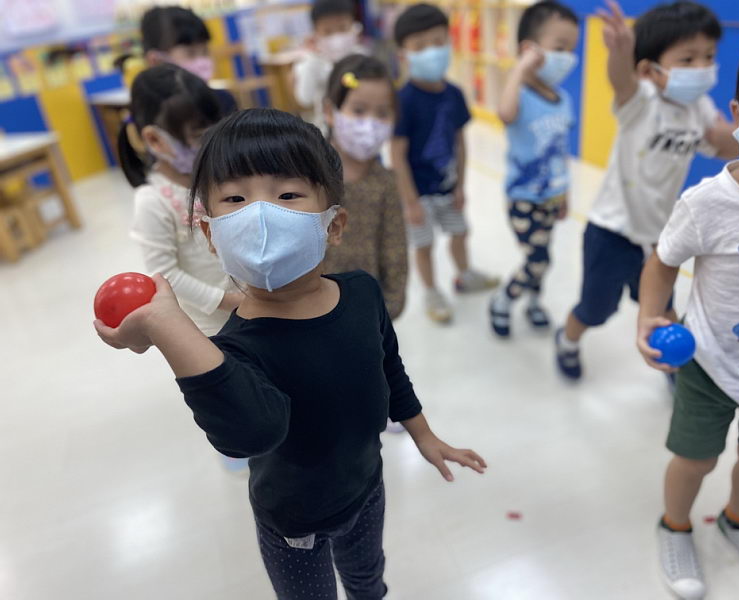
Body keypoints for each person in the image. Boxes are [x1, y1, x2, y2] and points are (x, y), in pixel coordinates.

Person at [96, 108, 487, 599]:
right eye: (235, 199)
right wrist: (166, 326)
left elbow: (389, 367)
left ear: (334, 225)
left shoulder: (362, 293)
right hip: (292, 525)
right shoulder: (234, 349)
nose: (261, 215)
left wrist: (423, 434)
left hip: (367, 487)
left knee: (368, 581)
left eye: (287, 195)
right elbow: (248, 433)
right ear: (211, 235)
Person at [637, 11, 739, 599]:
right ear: (737, 115)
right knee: (694, 459)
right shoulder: (709, 203)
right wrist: (649, 315)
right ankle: (675, 525)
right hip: (708, 362)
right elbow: (662, 260)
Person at [554, 1, 739, 379]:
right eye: (687, 59)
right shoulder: (641, 100)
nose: (702, 67)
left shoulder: (699, 107)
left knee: (662, 309)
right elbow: (621, 80)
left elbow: (723, 144)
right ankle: (568, 339)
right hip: (611, 231)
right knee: (596, 310)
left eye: (708, 56)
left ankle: (670, 365)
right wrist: (620, 52)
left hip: (659, 235)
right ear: (649, 70)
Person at [390, 3, 498, 324]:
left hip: (448, 187)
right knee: (424, 245)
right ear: (404, 55)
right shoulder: (403, 101)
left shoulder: (454, 93)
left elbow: (460, 142)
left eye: (438, 42)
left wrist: (462, 185)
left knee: (460, 232)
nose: (431, 52)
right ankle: (432, 291)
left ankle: (464, 275)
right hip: (418, 192)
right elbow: (396, 155)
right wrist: (410, 202)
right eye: (420, 46)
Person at [120, 64, 242, 337]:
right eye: (199, 136)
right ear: (155, 139)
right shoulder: (153, 201)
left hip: (253, 308)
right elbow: (165, 274)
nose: (211, 144)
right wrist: (228, 301)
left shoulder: (222, 176)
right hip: (210, 328)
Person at [489, 1, 579, 337]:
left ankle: (534, 302)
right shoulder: (520, 95)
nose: (568, 57)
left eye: (571, 49)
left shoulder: (563, 99)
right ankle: (503, 299)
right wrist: (520, 68)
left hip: (551, 196)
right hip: (523, 198)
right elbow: (505, 113)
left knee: (542, 253)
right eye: (560, 47)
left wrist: (565, 194)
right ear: (530, 50)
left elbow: (561, 152)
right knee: (538, 259)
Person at [322, 54, 407, 321]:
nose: (370, 123)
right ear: (330, 111)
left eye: (382, 113)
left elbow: (395, 251)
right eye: (358, 110)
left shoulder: (385, 182)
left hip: (368, 312)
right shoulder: (308, 178)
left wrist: (387, 309)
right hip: (311, 314)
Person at [139, 5, 237, 115]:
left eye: (205, 51)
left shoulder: (223, 100)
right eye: (190, 53)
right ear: (157, 61)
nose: (202, 62)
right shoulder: (151, 113)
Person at [293, 0, 366, 131]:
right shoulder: (312, 62)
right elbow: (304, 98)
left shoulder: (362, 58)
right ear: (315, 33)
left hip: (361, 127)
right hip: (326, 131)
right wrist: (312, 62)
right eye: (327, 32)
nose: (336, 38)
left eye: (343, 28)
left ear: (354, 26)